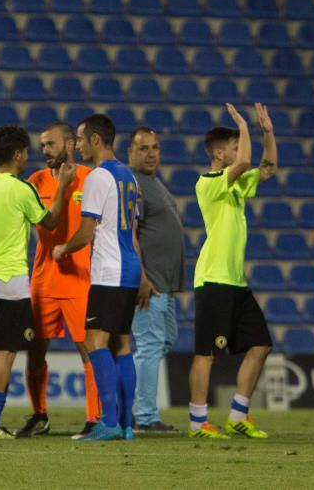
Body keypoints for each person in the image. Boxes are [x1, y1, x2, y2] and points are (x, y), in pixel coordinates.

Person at [0, 125, 76, 439]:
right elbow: (50, 222)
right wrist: (63, 186)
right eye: (26, 151)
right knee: (5, 354)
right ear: (17, 154)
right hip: (11, 284)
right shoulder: (22, 189)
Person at [52, 114, 151, 442]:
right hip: (129, 266)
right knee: (121, 344)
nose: (77, 146)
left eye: (80, 139)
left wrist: (63, 248)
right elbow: (133, 231)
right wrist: (141, 272)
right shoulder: (129, 177)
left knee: (95, 340)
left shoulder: (97, 177)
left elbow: (86, 231)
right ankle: (124, 425)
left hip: (108, 269)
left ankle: (108, 422)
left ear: (96, 140)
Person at [186, 103, 277, 440]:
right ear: (220, 154)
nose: (240, 151)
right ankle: (198, 422)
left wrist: (267, 133)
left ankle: (238, 415)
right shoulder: (208, 184)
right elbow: (244, 163)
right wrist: (243, 124)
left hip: (236, 282)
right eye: (236, 146)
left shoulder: (236, 186)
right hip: (213, 280)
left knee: (261, 345)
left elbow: (266, 168)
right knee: (205, 353)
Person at [14, 122, 99, 440]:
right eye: (42, 145)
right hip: (43, 281)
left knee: (88, 351)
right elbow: (46, 227)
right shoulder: (34, 182)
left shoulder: (89, 180)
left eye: (50, 144)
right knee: (35, 351)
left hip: (79, 280)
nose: (44, 150)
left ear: (70, 145)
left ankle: (94, 418)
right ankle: (39, 415)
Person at [129, 126, 184, 433]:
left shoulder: (153, 182)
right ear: (130, 152)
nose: (151, 154)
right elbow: (131, 233)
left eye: (155, 148)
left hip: (165, 282)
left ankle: (135, 406)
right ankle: (145, 416)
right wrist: (142, 277)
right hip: (150, 283)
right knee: (150, 345)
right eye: (144, 148)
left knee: (164, 340)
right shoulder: (134, 183)